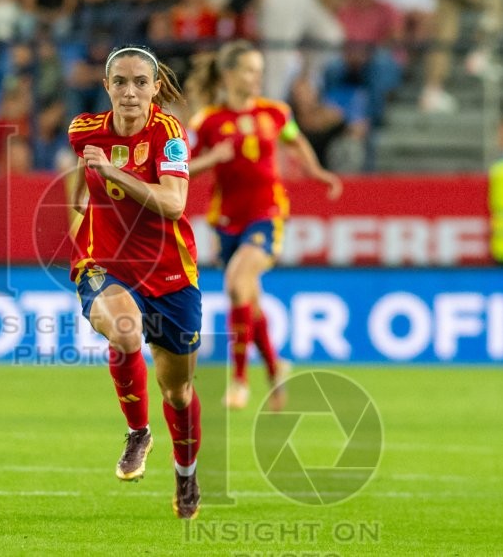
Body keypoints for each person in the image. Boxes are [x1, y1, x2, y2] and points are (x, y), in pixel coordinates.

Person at [68, 45, 202, 519]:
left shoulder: (168, 134)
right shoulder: (83, 130)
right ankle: (138, 432)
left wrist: (114, 172)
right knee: (124, 333)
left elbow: (173, 204)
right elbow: (81, 173)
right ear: (106, 86)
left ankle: (185, 473)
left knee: (178, 392)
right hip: (105, 263)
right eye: (120, 82)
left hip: (169, 273)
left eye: (140, 83)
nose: (129, 92)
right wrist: (76, 210)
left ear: (155, 88)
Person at [187, 40, 342, 411]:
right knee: (248, 301)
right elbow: (183, 169)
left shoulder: (276, 113)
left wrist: (316, 172)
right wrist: (212, 158)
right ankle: (275, 371)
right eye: (249, 70)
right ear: (228, 74)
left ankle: (239, 381)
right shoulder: (205, 121)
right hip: (226, 220)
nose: (257, 77)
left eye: (259, 70)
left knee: (238, 284)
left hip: (268, 213)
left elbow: (296, 142)